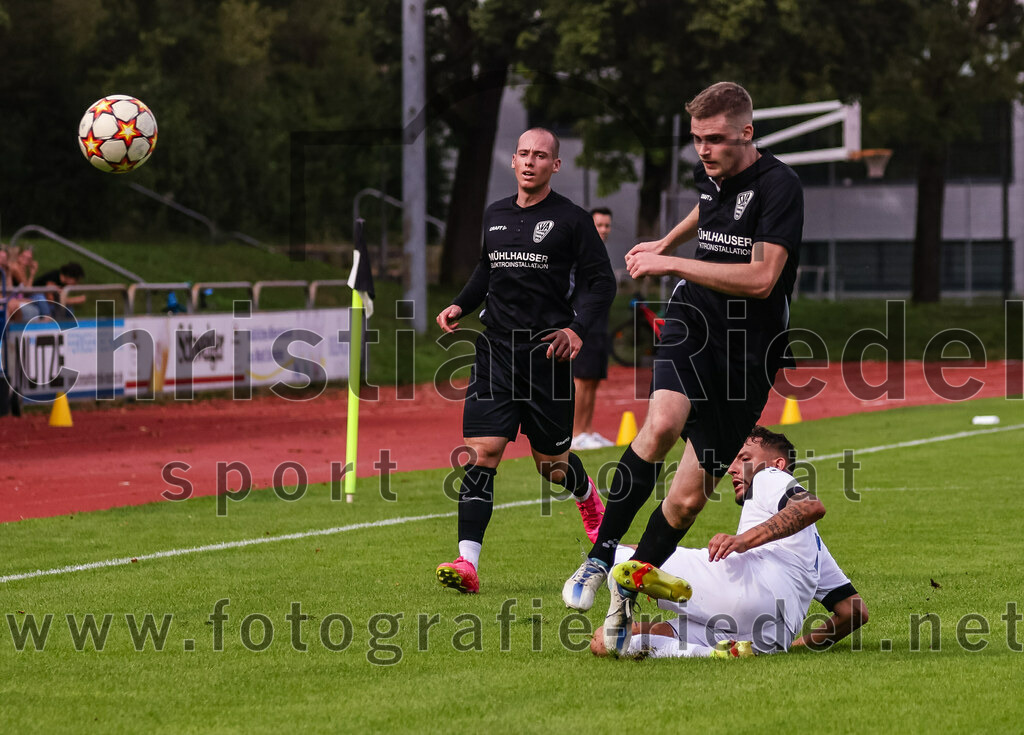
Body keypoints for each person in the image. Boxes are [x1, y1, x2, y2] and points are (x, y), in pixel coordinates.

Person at [562, 81, 805, 656]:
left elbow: (763, 277)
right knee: (663, 422)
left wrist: (671, 259)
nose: (704, 150)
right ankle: (599, 555)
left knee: (689, 499)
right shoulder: (712, 169)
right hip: (694, 319)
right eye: (697, 139)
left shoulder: (781, 186)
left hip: (750, 348)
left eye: (715, 139)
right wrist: (667, 238)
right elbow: (708, 206)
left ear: (747, 133)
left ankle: (628, 588)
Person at [434, 128, 617, 593]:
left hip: (547, 356)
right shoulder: (495, 214)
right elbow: (486, 269)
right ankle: (467, 563)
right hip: (495, 351)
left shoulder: (572, 221)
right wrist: (461, 304)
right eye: (523, 154)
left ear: (555, 165)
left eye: (540, 155)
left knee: (551, 464)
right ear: (513, 161)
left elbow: (602, 283)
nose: (530, 161)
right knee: (483, 452)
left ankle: (587, 494)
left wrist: (576, 329)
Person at [590, 426, 868, 658]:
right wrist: (796, 645)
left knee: (618, 553)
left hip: (749, 590)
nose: (731, 469)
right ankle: (713, 653)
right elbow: (853, 612)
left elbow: (809, 507)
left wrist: (744, 541)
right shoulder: (813, 549)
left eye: (743, 458)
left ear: (778, 464)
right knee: (605, 642)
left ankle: (635, 563)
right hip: (768, 638)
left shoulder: (769, 476)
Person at [570, 207, 615, 450]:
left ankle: (587, 430)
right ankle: (576, 434)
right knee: (582, 380)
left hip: (600, 327)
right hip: (584, 326)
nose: (604, 230)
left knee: (593, 379)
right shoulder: (581, 254)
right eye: (599, 225)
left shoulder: (601, 255)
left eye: (607, 226)